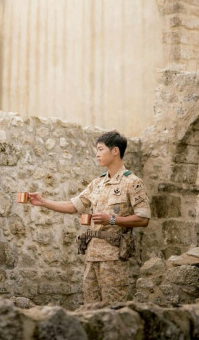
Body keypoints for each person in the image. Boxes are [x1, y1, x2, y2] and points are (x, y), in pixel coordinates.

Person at [29, 130, 151, 304]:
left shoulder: (132, 182)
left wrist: (112, 219)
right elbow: (73, 206)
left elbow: (143, 218)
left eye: (101, 149)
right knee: (90, 308)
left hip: (114, 258)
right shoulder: (97, 183)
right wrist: (43, 202)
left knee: (112, 309)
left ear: (115, 151)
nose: (97, 154)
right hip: (91, 256)